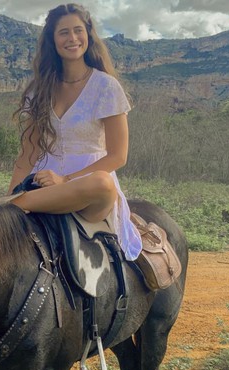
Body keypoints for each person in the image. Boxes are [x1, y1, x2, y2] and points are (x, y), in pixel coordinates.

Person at [8, 3, 142, 261]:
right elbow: (29, 152)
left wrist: (65, 180)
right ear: (53, 40)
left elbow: (118, 156)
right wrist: (12, 189)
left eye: (78, 31)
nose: (72, 38)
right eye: (64, 32)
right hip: (43, 182)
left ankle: (18, 205)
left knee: (103, 182)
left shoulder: (106, 86)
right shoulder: (41, 88)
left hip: (88, 188)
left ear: (88, 35)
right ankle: (14, 203)